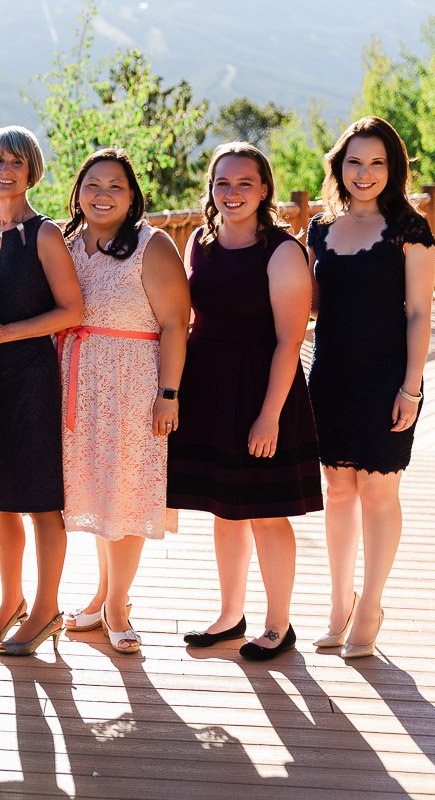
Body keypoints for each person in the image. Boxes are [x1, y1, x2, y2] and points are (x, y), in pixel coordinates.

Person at [168, 142, 322, 662]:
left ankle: (279, 624)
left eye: (243, 183)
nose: (231, 193)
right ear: (211, 189)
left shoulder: (282, 251)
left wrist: (269, 416)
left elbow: (289, 341)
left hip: (262, 387)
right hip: (209, 386)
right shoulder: (198, 243)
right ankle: (229, 616)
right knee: (224, 510)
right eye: (222, 183)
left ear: (263, 190)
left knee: (266, 513)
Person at [306, 117, 435, 659]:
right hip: (331, 374)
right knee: (337, 489)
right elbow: (308, 306)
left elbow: (420, 313)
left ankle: (371, 605)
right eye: (354, 161)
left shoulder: (411, 228)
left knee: (379, 490)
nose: (364, 173)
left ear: (393, 168)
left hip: (390, 376)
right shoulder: (317, 229)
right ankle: (339, 603)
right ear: (340, 165)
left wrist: (410, 387)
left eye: (377, 162)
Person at [57, 149, 189, 654]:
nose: (103, 195)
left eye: (115, 186)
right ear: (78, 193)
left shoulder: (151, 245)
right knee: (95, 490)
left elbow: (177, 322)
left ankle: (118, 605)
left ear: (132, 195)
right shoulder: (68, 244)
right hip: (79, 377)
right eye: (93, 185)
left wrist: (168, 393)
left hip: (134, 381)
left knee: (127, 492)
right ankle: (101, 593)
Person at [0, 126, 83, 657]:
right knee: (0, 504)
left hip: (32, 379)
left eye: (15, 162)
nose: (4, 170)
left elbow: (73, 310)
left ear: (31, 170)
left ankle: (46, 608)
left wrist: (7, 333)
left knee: (40, 504)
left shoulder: (45, 235)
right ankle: (9, 602)